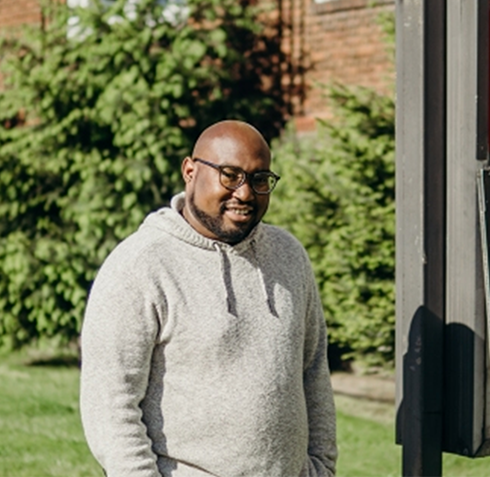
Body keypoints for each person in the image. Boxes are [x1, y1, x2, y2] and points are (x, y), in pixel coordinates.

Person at [80, 120, 337, 476]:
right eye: (230, 175)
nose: (245, 193)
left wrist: (321, 467)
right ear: (190, 170)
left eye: (260, 179)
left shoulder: (289, 256)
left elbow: (313, 370)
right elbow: (110, 405)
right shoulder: (140, 265)